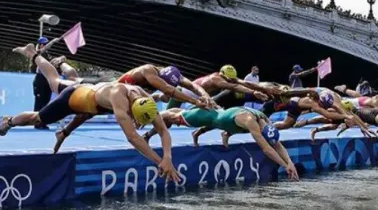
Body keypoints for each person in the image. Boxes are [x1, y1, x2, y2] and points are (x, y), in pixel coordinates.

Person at [1, 46, 180, 183]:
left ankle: (41, 57)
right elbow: (133, 137)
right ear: (131, 110)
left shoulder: (144, 98)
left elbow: (163, 130)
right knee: (39, 112)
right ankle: (9, 121)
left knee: (70, 80)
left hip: (93, 94)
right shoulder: (119, 99)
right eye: (135, 120)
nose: (135, 123)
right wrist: (159, 162)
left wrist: (167, 157)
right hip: (75, 97)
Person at [159, 107, 299, 181]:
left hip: (227, 121)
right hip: (212, 117)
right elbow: (267, 149)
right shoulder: (252, 123)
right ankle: (153, 118)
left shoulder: (267, 122)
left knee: (241, 129)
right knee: (175, 116)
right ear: (263, 132)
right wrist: (284, 165)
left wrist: (290, 162)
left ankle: (226, 134)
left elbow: (276, 144)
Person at [118, 64, 211, 109]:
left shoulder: (173, 74)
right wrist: (195, 102)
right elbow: (168, 90)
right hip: (117, 92)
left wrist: (205, 95)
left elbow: (193, 86)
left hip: (135, 95)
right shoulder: (147, 70)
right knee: (170, 93)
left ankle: (157, 97)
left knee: (167, 98)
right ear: (161, 79)